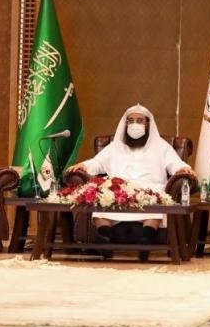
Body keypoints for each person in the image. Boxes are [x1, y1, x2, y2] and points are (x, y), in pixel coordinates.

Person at [67, 104, 196, 256]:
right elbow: (98, 163)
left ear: (148, 124)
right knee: (102, 202)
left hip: (150, 189)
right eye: (131, 120)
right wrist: (83, 166)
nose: (135, 124)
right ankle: (106, 239)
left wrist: (183, 168)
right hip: (120, 190)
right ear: (125, 123)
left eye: (140, 120)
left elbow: (174, 163)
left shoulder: (161, 146)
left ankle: (145, 240)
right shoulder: (115, 146)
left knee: (156, 202)